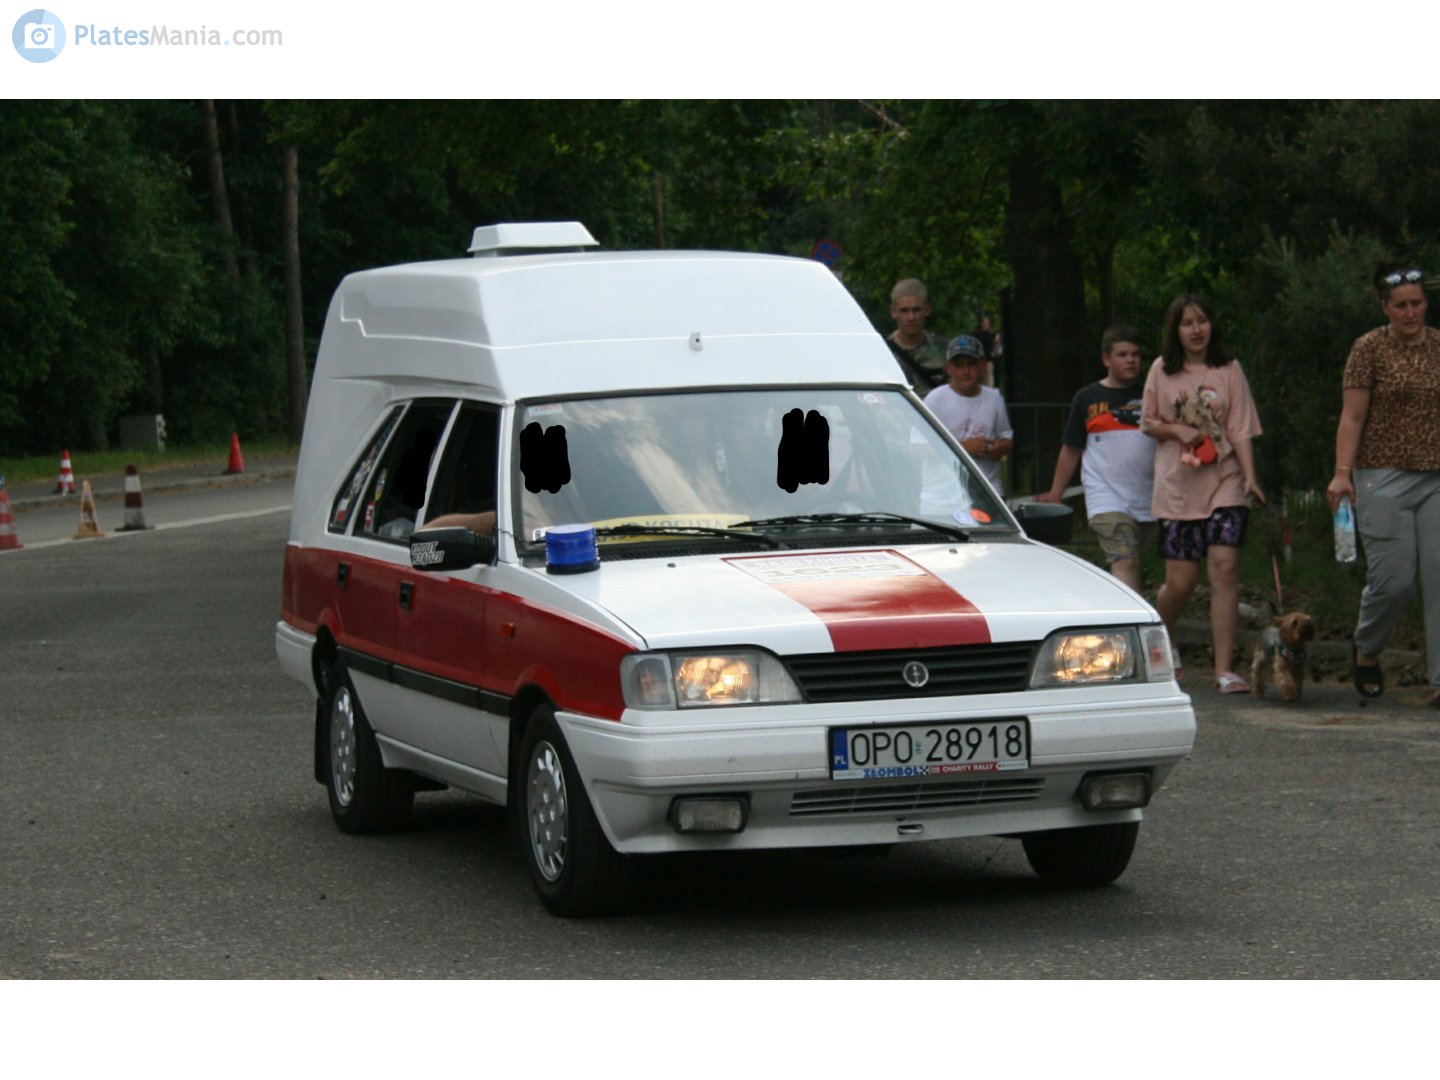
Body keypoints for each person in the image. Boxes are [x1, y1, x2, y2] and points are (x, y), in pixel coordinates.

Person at [1326, 263, 1440, 706]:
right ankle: (1367, 646)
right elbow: (1352, 417)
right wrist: (1342, 473)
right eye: (1401, 305)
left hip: (1435, 476)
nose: (1410, 313)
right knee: (1395, 582)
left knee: (1439, 575)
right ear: (1385, 307)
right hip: (1382, 475)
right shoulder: (1368, 348)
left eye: (1417, 303)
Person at [1141, 294, 1264, 692]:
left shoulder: (1230, 369)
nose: (1196, 330)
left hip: (1225, 478)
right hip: (1178, 484)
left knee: (1225, 568)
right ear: (1175, 330)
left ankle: (1224, 669)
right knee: (1182, 582)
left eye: (1202, 321)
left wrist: (1250, 477)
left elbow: (1240, 428)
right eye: (1187, 323)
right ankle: (1164, 637)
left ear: (1212, 325)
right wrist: (1179, 430)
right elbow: (1149, 422)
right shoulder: (1161, 370)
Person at [1037, 325, 1155, 592]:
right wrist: (1056, 493)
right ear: (1106, 359)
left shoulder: (1151, 395)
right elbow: (1071, 448)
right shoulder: (1088, 398)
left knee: (1132, 561)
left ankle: (1121, 607)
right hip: (1105, 495)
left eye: (1135, 354)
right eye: (1122, 354)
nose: (1130, 360)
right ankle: (1130, 616)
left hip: (1145, 495)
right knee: (1125, 560)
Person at [924, 334, 1014, 495]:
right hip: (944, 493)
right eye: (959, 365)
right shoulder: (935, 400)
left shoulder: (994, 398)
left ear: (982, 366)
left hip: (988, 490)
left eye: (971, 364)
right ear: (948, 368)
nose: (966, 371)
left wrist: (1000, 447)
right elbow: (918, 448)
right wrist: (964, 448)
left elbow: (1006, 437)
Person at [884, 278, 950, 392]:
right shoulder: (883, 353)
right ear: (893, 312)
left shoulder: (946, 350)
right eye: (904, 311)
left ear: (927, 309)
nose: (911, 317)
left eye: (916, 310)